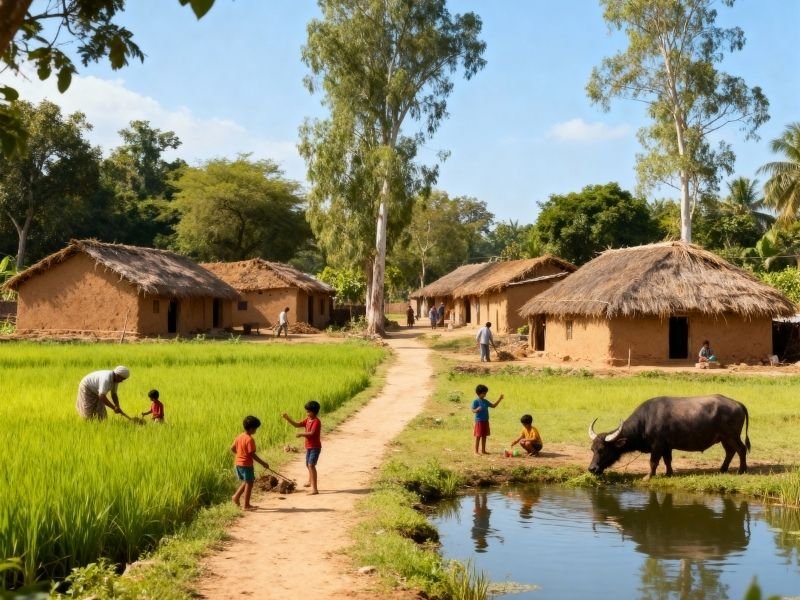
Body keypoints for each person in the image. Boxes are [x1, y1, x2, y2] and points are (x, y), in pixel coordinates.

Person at [282, 400, 322, 495]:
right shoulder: (307, 420)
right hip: (308, 446)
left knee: (311, 465)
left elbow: (312, 433)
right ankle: (310, 480)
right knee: (308, 464)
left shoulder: (316, 421)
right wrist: (287, 418)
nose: (307, 413)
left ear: (314, 412)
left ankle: (315, 489)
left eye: (308, 411)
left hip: (315, 447)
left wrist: (301, 434)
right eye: (306, 411)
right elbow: (297, 425)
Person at [231, 415, 270, 510]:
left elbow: (232, 448)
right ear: (252, 428)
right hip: (246, 464)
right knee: (250, 483)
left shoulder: (240, 436)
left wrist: (239, 454)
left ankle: (236, 497)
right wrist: (263, 463)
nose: (256, 431)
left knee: (247, 481)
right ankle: (246, 505)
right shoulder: (249, 439)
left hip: (238, 463)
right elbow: (252, 455)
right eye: (256, 428)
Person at [472, 383, 503, 455]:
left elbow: (493, 406)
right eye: (484, 393)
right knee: (478, 436)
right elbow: (473, 410)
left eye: (485, 393)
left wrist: (500, 399)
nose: (485, 394)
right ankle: (476, 451)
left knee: (484, 436)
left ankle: (483, 450)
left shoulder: (485, 401)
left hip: (485, 421)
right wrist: (477, 410)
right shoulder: (476, 401)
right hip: (479, 421)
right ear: (479, 393)